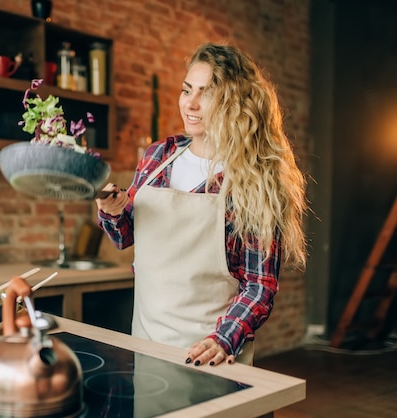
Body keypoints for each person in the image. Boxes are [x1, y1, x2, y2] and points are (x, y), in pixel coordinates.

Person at [95, 42, 307, 367]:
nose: (190, 104)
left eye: (207, 93)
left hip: (209, 353)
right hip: (146, 339)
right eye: (186, 90)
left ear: (234, 103)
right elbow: (126, 237)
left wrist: (223, 340)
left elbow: (259, 285)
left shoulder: (252, 180)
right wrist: (112, 211)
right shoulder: (158, 157)